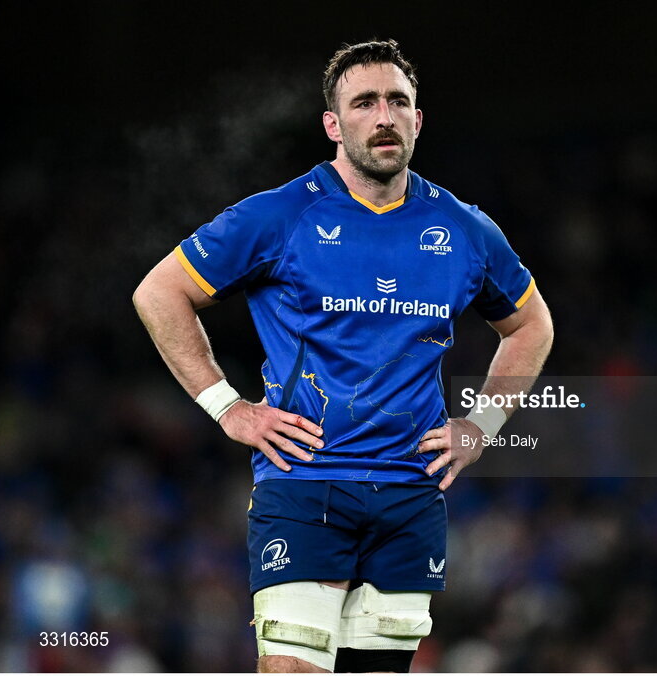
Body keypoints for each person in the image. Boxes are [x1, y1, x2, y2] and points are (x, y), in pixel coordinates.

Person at [132, 39, 553, 673]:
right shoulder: (281, 215)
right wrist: (228, 408)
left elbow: (532, 325)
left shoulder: (466, 230)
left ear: (417, 119)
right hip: (305, 484)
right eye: (364, 103)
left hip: (411, 493)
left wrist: (482, 426)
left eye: (398, 101)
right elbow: (160, 292)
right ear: (333, 124)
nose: (383, 116)